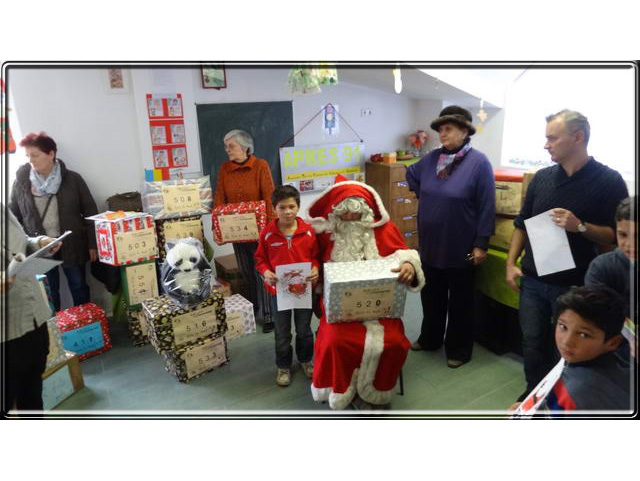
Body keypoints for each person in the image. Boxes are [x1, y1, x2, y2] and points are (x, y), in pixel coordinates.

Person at [506, 110, 628, 400]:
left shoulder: (609, 181)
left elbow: (616, 236)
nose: (546, 145)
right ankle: (534, 395)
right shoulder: (541, 178)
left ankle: (562, 398)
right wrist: (510, 264)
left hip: (576, 285)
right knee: (533, 342)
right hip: (533, 280)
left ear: (577, 137)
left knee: (568, 348)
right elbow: (522, 223)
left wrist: (581, 226)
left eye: (552, 138)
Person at [306, 174, 425, 410]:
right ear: (335, 212)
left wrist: (410, 266)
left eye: (356, 212)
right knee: (335, 342)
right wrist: (313, 272)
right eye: (345, 212)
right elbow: (309, 261)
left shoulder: (383, 229)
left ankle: (376, 391)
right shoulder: (323, 234)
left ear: (366, 212)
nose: (350, 218)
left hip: (381, 308)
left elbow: (405, 254)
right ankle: (345, 390)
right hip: (338, 308)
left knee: (395, 342)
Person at [406, 105, 495, 368]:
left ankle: (458, 349)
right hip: (431, 245)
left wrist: (481, 244)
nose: (442, 134)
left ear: (465, 131)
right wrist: (425, 193)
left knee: (460, 301)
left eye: (448, 129)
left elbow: (487, 205)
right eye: (440, 130)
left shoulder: (479, 163)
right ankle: (430, 338)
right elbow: (411, 173)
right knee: (430, 295)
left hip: (462, 246)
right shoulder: (433, 158)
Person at [9, 132, 98, 312]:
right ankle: (57, 331)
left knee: (78, 285)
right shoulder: (21, 183)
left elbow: (90, 212)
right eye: (28, 156)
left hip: (71, 243)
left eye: (35, 155)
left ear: (51, 154)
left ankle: (85, 326)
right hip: (40, 247)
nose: (31, 161)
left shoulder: (73, 179)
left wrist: (93, 243)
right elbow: (14, 217)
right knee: (49, 292)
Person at [509, 286, 631, 413]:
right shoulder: (586, 359)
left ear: (613, 342)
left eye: (583, 335)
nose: (566, 341)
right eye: (563, 326)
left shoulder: (578, 392)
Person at [255, 185, 320, 386]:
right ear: (274, 209)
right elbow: (260, 259)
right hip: (278, 292)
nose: (287, 211)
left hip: (304, 291)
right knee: (282, 332)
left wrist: (316, 269)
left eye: (291, 206)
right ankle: (283, 365)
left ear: (298, 207)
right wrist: (266, 272)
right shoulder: (267, 233)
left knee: (304, 329)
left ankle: (306, 360)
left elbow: (316, 257)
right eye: (282, 207)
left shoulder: (308, 232)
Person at [213, 129, 276, 333]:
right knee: (246, 273)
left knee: (262, 272)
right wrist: (218, 227)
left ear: (245, 147)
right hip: (237, 233)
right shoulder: (224, 169)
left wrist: (271, 228)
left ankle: (268, 316)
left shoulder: (260, 166)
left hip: (260, 234)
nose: (227, 150)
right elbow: (219, 198)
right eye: (226, 146)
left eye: (231, 146)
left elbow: (269, 198)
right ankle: (252, 309)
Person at [1, 203, 61, 412]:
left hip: (32, 315)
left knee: (32, 395)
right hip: (5, 331)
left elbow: (19, 243)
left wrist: (39, 242)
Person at [585, 196, 636, 359]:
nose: (630, 245)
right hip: (613, 349)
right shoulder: (602, 267)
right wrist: (633, 337)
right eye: (623, 235)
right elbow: (601, 313)